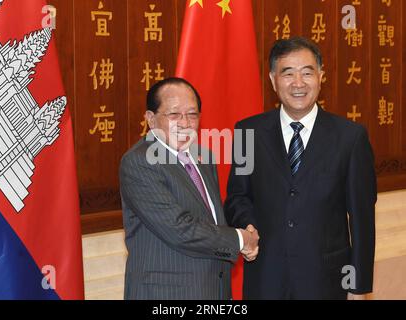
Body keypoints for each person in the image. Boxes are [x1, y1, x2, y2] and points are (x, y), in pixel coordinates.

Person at [224, 37, 377, 300]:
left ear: (321, 77)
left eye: (307, 73)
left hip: (326, 281)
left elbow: (362, 218)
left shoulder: (350, 137)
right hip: (265, 277)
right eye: (288, 73)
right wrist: (248, 225)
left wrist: (359, 286)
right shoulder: (248, 132)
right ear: (273, 80)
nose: (298, 83)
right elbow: (238, 196)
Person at [119, 77, 259, 300]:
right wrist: (240, 240)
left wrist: (246, 227)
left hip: (213, 291)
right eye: (174, 115)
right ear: (151, 119)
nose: (185, 123)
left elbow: (213, 220)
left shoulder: (203, 158)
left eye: (192, 114)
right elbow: (179, 229)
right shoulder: (140, 162)